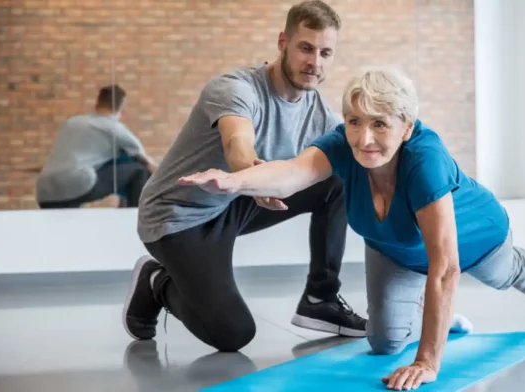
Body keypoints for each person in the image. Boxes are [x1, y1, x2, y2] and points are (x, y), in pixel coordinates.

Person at [177, 66, 525, 390]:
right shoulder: (343, 144)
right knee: (383, 343)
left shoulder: (425, 160)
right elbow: (292, 174)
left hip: (475, 239)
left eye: (380, 124)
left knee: (504, 275)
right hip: (393, 247)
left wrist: (428, 360)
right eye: (355, 122)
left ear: (406, 127)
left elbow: (445, 267)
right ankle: (443, 318)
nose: (364, 139)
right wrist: (235, 181)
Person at [123, 0, 367, 353]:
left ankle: (321, 298)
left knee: (339, 178)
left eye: (326, 53)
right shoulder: (236, 89)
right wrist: (244, 177)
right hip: (178, 217)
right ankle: (156, 281)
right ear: (282, 42)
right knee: (233, 334)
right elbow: (238, 142)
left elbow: (359, 158)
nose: (315, 62)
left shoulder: (319, 114)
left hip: (233, 205)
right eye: (305, 48)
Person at [36, 84, 157, 209]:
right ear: (121, 109)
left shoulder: (72, 122)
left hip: (44, 191)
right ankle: (134, 222)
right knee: (139, 170)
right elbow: (147, 162)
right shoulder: (113, 127)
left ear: (97, 104)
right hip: (76, 185)